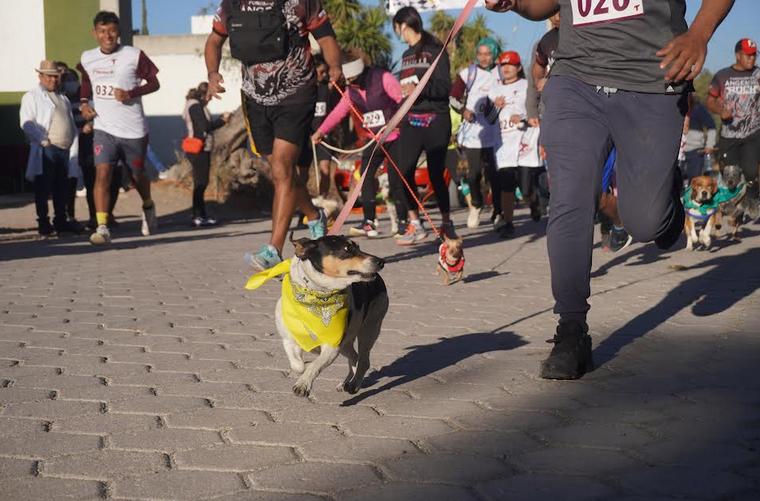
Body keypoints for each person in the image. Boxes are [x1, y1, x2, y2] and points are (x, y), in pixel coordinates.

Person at [486, 0, 734, 380]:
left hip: (653, 80)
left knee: (646, 224)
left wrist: (699, 33)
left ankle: (664, 206)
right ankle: (571, 330)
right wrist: (514, 3)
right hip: (575, 80)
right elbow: (543, 5)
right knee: (569, 200)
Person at [205, 0, 342, 271]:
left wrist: (335, 66)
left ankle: (273, 250)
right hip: (254, 99)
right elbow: (213, 41)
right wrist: (212, 74)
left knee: (282, 166)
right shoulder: (232, 4)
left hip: (297, 93)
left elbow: (325, 36)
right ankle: (314, 216)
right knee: (280, 170)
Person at [78, 10, 161, 245]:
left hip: (133, 129)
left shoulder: (133, 55)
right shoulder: (87, 57)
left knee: (136, 174)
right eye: (102, 31)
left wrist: (131, 93)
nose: (108, 36)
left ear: (118, 32)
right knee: (102, 173)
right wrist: (84, 104)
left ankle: (147, 204)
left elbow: (155, 83)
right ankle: (102, 225)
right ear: (94, 33)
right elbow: (86, 82)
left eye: (112, 30)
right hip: (104, 128)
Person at [312, 51, 405, 238]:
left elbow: (403, 101)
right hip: (373, 139)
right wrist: (321, 131)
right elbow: (339, 112)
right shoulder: (350, 90)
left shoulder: (383, 78)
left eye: (354, 79)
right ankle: (369, 222)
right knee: (365, 177)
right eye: (349, 81)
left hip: (394, 136)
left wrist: (396, 122)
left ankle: (404, 221)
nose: (352, 84)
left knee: (396, 180)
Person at [393, 6, 456, 245]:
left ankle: (447, 223)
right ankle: (415, 223)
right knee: (403, 170)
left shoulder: (435, 51)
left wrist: (418, 88)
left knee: (435, 173)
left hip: (435, 120)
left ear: (404, 25)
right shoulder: (406, 56)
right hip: (411, 121)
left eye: (397, 28)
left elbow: (443, 88)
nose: (397, 32)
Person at [20, 60, 81, 237]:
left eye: (56, 76)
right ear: (40, 76)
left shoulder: (63, 98)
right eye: (49, 76)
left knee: (61, 187)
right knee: (43, 187)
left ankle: (60, 221)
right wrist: (43, 140)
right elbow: (27, 123)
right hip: (47, 148)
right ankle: (44, 222)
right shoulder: (31, 96)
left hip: (64, 149)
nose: (53, 80)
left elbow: (69, 122)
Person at [450, 37, 500, 229]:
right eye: (480, 53)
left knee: (494, 174)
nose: (484, 57)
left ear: (494, 53)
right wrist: (464, 111)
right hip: (473, 133)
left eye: (488, 54)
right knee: (474, 174)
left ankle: (498, 211)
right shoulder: (468, 73)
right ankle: (476, 205)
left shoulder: (501, 72)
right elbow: (453, 98)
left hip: (496, 132)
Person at [706, 38, 760, 210]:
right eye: (748, 56)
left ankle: (751, 199)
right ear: (738, 55)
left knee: (751, 170)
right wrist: (721, 111)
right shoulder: (722, 76)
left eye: (754, 56)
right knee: (730, 173)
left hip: (753, 134)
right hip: (729, 134)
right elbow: (710, 100)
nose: (752, 59)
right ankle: (731, 203)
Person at [488, 51, 529, 238]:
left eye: (511, 64)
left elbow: (535, 110)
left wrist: (521, 117)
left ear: (518, 67)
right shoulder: (493, 91)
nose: (506, 68)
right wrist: (495, 107)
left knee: (526, 187)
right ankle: (509, 222)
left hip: (524, 144)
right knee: (507, 186)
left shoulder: (526, 86)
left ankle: (534, 202)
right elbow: (488, 119)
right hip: (503, 147)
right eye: (503, 65)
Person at [183, 82, 230, 227]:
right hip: (198, 149)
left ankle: (201, 214)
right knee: (201, 183)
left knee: (201, 183)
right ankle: (197, 216)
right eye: (210, 96)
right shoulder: (196, 106)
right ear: (206, 94)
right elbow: (205, 127)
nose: (211, 99)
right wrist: (222, 120)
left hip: (200, 149)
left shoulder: (195, 105)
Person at [683, 96, 717, 182]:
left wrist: (709, 145)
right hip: (676, 151)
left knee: (694, 179)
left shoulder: (698, 109)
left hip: (695, 151)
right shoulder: (672, 108)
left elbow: (711, 127)